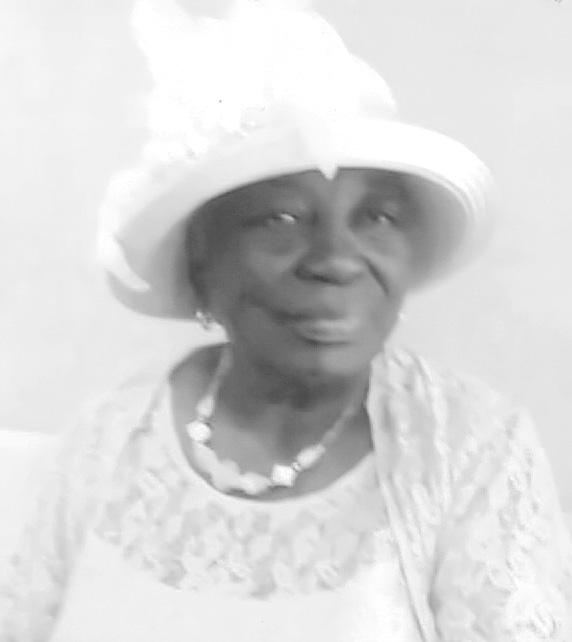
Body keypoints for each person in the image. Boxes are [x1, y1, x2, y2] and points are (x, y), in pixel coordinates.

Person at [1, 1, 571, 640]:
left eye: (376, 217)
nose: (336, 260)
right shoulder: (106, 444)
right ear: (202, 261)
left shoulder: (473, 450)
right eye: (281, 219)